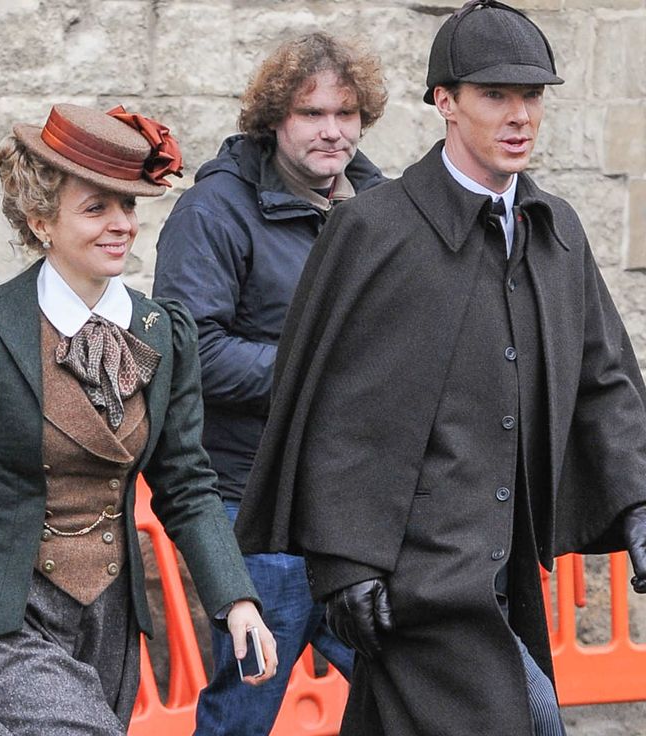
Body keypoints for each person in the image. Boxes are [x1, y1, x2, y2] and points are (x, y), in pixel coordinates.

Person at [234, 2, 646, 735]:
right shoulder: (373, 229)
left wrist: (639, 499)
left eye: (533, 96)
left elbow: (603, 379)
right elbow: (329, 412)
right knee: (534, 720)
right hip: (410, 579)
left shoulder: (556, 232)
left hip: (505, 576)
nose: (520, 115)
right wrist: (343, 564)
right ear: (446, 103)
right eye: (496, 95)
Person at [0, 102, 277, 736]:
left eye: (128, 206)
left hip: (108, 623)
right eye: (95, 208)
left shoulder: (166, 334)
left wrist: (235, 598)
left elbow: (186, 484)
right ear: (40, 222)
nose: (121, 226)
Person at [152, 32, 387, 735]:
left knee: (407, 685)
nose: (332, 131)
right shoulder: (214, 213)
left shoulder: (380, 206)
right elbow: (194, 355)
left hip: (355, 510)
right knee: (245, 710)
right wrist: (323, 374)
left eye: (347, 114)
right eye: (312, 113)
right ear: (274, 117)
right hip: (253, 508)